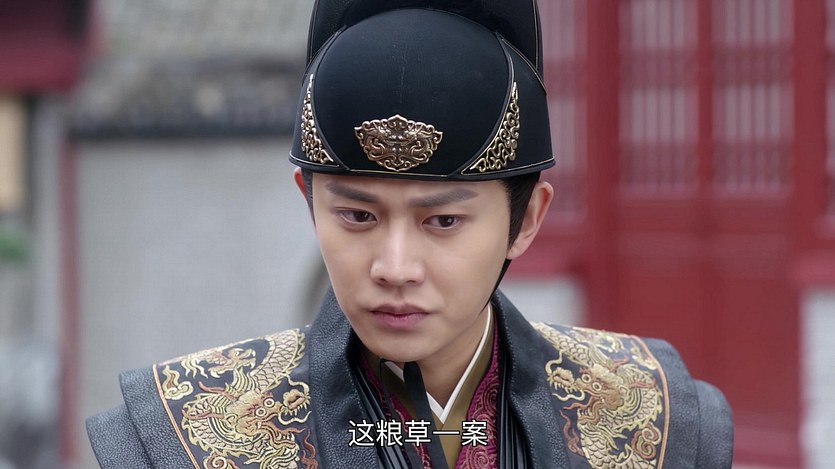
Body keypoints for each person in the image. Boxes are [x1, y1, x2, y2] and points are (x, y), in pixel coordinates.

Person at [86, 1, 734, 468]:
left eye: (442, 221)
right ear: (309, 202)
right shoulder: (188, 436)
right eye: (357, 216)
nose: (394, 267)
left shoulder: (652, 421)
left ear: (526, 220)